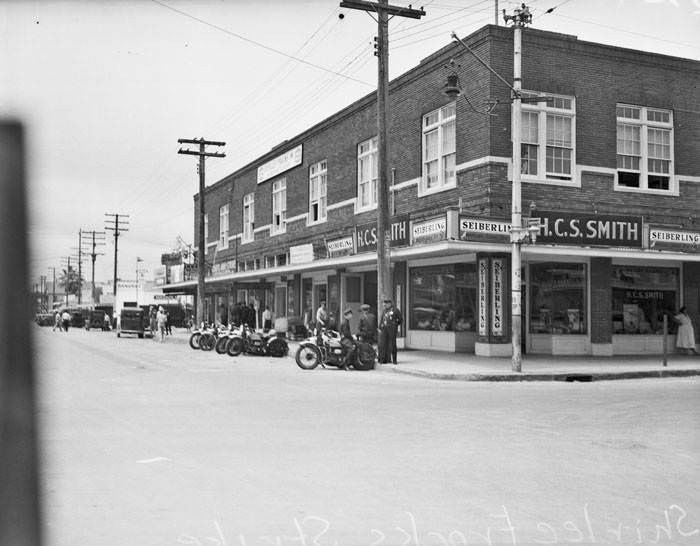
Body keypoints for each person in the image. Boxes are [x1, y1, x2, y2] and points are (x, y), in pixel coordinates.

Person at [379, 299, 403, 365]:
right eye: (384, 304)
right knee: (383, 344)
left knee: (393, 344)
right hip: (384, 329)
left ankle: (394, 360)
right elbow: (382, 319)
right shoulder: (384, 311)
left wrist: (395, 324)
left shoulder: (395, 310)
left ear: (389, 304)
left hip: (392, 330)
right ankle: (383, 359)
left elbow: (400, 320)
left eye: (386, 304)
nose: (385, 305)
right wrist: (380, 327)